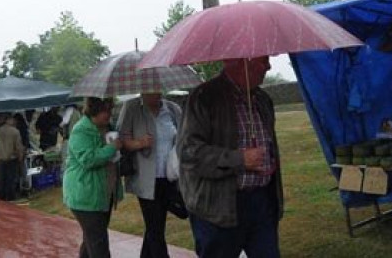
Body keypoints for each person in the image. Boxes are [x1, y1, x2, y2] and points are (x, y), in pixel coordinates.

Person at [179, 56, 283, 258]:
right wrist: (240, 159)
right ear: (243, 61)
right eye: (264, 61)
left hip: (262, 203)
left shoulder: (262, 99)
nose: (269, 66)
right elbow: (189, 153)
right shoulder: (203, 97)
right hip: (218, 208)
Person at [118, 92, 182, 258]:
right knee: (155, 227)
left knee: (156, 225)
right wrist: (139, 143)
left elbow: (185, 137)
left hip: (170, 177)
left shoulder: (173, 109)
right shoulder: (132, 107)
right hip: (145, 179)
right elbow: (121, 139)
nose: (155, 92)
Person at [63, 97, 124, 258]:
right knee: (99, 245)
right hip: (86, 196)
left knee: (91, 240)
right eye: (105, 110)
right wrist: (111, 148)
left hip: (103, 195)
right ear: (94, 110)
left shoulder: (107, 128)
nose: (109, 114)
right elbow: (88, 159)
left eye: (110, 110)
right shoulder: (80, 130)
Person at [0, 114, 25, 201]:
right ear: (9, 120)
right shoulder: (15, 131)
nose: (14, 121)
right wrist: (20, 156)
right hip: (12, 158)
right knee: (11, 179)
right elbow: (18, 146)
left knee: (2, 179)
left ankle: (2, 197)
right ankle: (10, 197)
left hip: (1, 158)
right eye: (13, 119)